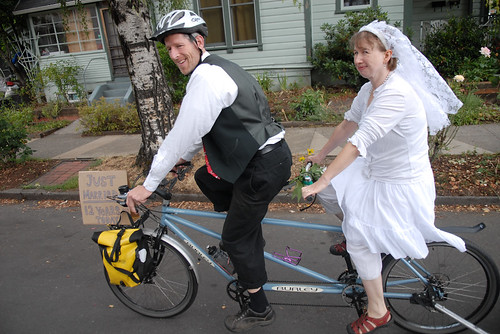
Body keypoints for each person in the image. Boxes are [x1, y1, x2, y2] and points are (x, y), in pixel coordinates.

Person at [125, 9, 292, 333]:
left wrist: (148, 185)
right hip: (263, 158)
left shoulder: (205, 78)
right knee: (206, 177)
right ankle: (245, 233)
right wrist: (182, 162)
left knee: (234, 237)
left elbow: (178, 137)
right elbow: (195, 134)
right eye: (169, 49)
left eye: (178, 46)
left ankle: (259, 309)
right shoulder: (219, 67)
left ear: (198, 41)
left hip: (261, 166)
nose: (173, 55)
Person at [301, 21, 466, 334]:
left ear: (387, 54)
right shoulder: (369, 89)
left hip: (398, 184)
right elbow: (349, 125)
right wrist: (321, 156)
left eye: (366, 52)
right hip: (375, 171)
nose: (359, 59)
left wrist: (322, 179)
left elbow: (359, 141)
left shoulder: (396, 94)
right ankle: (358, 234)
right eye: (355, 53)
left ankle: (378, 312)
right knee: (330, 191)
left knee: (360, 238)